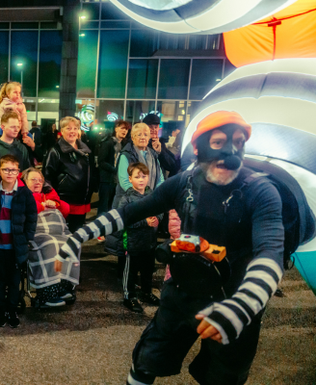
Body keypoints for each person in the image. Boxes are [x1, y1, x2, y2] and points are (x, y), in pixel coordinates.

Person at [55, 111, 285, 385]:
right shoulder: (185, 182)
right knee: (147, 360)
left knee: (223, 376)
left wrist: (243, 306)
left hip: (235, 293)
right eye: (219, 142)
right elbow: (129, 212)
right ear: (198, 148)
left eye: (238, 142)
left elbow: (270, 253)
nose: (230, 153)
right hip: (183, 290)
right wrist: (78, 237)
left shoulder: (260, 191)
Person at [0, 155, 37, 327]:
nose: (9, 173)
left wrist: (27, 238)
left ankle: (12, 309)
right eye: (5, 169)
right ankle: (1, 308)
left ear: (18, 173)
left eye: (13, 170)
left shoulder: (24, 194)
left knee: (15, 280)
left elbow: (31, 217)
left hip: (16, 247)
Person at [22, 167, 77, 307]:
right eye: (33, 179)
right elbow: (25, 210)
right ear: (25, 181)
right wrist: (41, 206)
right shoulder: (23, 195)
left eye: (40, 180)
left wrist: (56, 204)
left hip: (55, 230)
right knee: (51, 244)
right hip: (37, 234)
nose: (37, 182)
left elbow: (65, 209)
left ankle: (62, 286)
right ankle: (46, 293)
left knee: (71, 243)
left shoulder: (48, 194)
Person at [118, 162, 163, 313]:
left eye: (144, 176)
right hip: (133, 243)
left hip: (149, 242)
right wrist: (145, 222)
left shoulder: (153, 195)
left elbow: (160, 210)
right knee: (130, 271)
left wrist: (158, 218)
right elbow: (123, 219)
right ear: (130, 179)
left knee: (148, 270)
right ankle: (129, 296)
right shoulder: (127, 198)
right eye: (137, 177)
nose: (141, 180)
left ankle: (146, 292)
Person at [43, 116, 97, 234]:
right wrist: (51, 198)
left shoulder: (86, 151)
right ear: (61, 131)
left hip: (83, 200)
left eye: (75, 128)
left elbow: (92, 171)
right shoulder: (55, 151)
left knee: (78, 233)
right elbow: (47, 176)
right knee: (64, 233)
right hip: (65, 201)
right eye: (68, 128)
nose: (72, 131)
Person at [113, 123, 164, 209]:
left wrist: (156, 194)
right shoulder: (126, 154)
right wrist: (140, 197)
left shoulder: (153, 154)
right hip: (128, 202)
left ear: (149, 138)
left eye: (145, 135)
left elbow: (160, 178)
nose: (143, 137)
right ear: (133, 138)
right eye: (139, 135)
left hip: (149, 200)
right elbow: (124, 181)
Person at [0, 111, 31, 189]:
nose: (16, 130)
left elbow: (26, 173)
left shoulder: (22, 148)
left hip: (18, 193)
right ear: (3, 127)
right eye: (12, 127)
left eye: (18, 127)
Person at [97, 120, 131, 219]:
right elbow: (101, 162)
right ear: (116, 129)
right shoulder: (108, 143)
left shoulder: (125, 145)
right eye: (122, 128)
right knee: (104, 207)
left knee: (113, 207)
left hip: (118, 181)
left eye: (126, 129)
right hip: (107, 180)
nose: (124, 131)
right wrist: (115, 170)